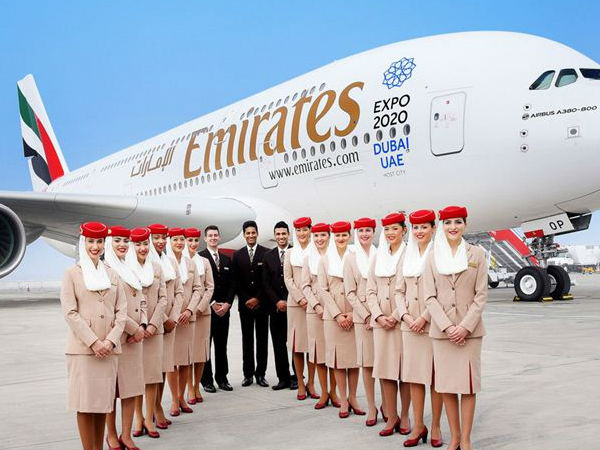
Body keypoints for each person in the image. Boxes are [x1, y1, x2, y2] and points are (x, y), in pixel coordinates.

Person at [422, 206, 487, 450]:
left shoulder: (476, 254)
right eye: (448, 223)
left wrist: (465, 327)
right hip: (443, 334)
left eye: (458, 222)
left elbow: (481, 295)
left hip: (470, 333)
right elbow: (429, 297)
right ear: (442, 226)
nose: (453, 227)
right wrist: (448, 327)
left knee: (468, 387)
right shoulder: (432, 257)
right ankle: (455, 438)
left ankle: (467, 440)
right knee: (447, 386)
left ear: (465, 225)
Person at [60, 221, 126, 450]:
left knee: (102, 406)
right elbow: (70, 313)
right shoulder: (72, 274)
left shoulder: (112, 274)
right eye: (91, 241)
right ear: (83, 243)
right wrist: (95, 342)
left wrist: (110, 341)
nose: (95, 246)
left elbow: (122, 312)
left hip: (109, 351)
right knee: (85, 406)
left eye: (99, 241)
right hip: (84, 352)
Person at [395, 210, 444, 447]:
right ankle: (418, 425)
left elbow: (442, 291)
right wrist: (405, 315)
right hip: (409, 325)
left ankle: (435, 426)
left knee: (434, 378)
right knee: (414, 377)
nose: (419, 231)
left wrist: (424, 317)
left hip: (432, 323)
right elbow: (398, 290)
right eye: (416, 227)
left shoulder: (439, 253)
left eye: (424, 227)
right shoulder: (406, 255)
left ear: (433, 228)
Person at [366, 212, 411, 437]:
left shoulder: (410, 255)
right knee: (385, 372)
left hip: (401, 320)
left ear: (404, 230)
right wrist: (377, 315)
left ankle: (405, 416)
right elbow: (370, 290)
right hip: (381, 323)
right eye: (387, 229)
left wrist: (395, 315)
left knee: (404, 372)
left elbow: (411, 289)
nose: (390, 233)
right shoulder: (378, 256)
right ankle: (391, 416)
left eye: (395, 228)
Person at [104, 226, 147, 450]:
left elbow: (142, 301)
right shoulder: (105, 270)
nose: (122, 245)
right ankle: (111, 435)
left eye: (125, 241)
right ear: (109, 243)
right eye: (117, 241)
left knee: (131, 389)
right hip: (117, 339)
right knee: (112, 392)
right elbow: (111, 308)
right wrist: (134, 329)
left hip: (134, 341)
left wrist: (143, 325)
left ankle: (126, 435)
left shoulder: (130, 268)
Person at [317, 221, 364, 419]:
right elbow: (323, 289)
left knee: (353, 360)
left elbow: (362, 285)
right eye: (337, 235)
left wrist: (353, 313)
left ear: (349, 236)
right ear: (333, 237)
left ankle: (353, 397)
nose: (341, 238)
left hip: (355, 314)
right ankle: (343, 399)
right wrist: (337, 314)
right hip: (333, 316)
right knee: (337, 360)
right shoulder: (324, 260)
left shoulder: (356, 257)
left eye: (344, 235)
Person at [128, 227, 167, 440]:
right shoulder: (126, 268)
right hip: (134, 332)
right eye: (138, 244)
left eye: (145, 244)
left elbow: (163, 299)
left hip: (155, 330)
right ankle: (138, 418)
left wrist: (152, 324)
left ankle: (150, 417)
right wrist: (139, 328)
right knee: (136, 378)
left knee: (152, 376)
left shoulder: (157, 268)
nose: (142, 248)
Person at [343, 217, 382, 427]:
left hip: (381, 316)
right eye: (360, 231)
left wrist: (376, 315)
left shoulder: (381, 254)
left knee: (383, 364)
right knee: (367, 364)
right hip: (362, 318)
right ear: (356, 233)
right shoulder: (350, 258)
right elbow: (350, 292)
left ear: (373, 232)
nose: (364, 234)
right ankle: (372, 406)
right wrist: (366, 315)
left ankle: (387, 405)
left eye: (368, 230)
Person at [147, 223, 183, 426]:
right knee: (151, 371)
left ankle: (157, 405)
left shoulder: (170, 262)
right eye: (156, 238)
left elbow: (179, 292)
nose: (160, 241)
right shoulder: (145, 261)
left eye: (163, 238)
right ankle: (150, 411)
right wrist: (162, 320)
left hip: (170, 324)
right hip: (154, 324)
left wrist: (174, 318)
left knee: (162, 368)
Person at [301, 223, 340, 410]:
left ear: (329, 237)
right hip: (315, 311)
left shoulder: (336, 257)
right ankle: (324, 392)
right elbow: (305, 285)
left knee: (333, 353)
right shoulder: (308, 258)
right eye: (316, 236)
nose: (319, 239)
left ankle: (334, 392)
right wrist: (316, 305)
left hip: (334, 310)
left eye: (323, 235)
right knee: (319, 354)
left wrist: (334, 309)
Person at [167, 227, 202, 415]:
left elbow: (198, 289)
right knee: (172, 362)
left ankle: (182, 397)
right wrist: (174, 314)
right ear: (169, 242)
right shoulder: (165, 263)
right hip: (172, 319)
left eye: (181, 239)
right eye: (175, 240)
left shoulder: (191, 263)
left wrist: (189, 310)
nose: (179, 243)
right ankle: (174, 399)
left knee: (186, 361)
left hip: (188, 318)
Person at [232, 220, 270, 387]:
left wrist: (258, 298)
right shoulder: (238, 255)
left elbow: (266, 280)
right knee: (247, 341)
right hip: (245, 305)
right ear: (244, 235)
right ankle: (247, 375)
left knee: (262, 340)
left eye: (253, 232)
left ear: (257, 233)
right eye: (248, 233)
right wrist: (246, 298)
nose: (251, 235)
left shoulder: (266, 253)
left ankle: (261, 374)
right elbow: (236, 281)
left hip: (262, 305)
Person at [284, 217, 317, 399]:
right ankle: (300, 384)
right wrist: (300, 298)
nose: (302, 233)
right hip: (295, 304)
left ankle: (311, 383)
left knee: (313, 345)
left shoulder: (316, 250)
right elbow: (288, 279)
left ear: (310, 231)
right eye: (298, 230)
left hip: (313, 304)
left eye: (305, 230)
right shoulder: (290, 253)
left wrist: (311, 300)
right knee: (297, 346)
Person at [200, 225, 235, 392]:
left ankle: (222, 378)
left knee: (222, 346)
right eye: (210, 236)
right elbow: (200, 285)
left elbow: (232, 284)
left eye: (216, 235)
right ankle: (206, 380)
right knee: (206, 346)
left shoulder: (227, 260)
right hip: (208, 309)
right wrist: (212, 303)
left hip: (224, 311)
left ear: (219, 237)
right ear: (205, 238)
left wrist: (228, 303)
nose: (213, 238)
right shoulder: (200, 258)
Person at [261, 221, 295, 390]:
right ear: (275, 236)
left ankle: (297, 377)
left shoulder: (295, 253)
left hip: (294, 306)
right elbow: (265, 283)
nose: (281, 237)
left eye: (284, 234)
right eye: (278, 234)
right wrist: (277, 301)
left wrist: (290, 300)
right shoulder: (268, 256)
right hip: (275, 308)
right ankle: (283, 377)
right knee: (278, 343)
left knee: (296, 344)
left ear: (288, 235)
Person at [185, 227, 215, 405]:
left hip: (202, 313)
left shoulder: (204, 261)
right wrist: (189, 309)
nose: (193, 243)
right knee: (187, 354)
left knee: (200, 353)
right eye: (190, 240)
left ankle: (197, 386)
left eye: (196, 240)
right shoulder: (178, 261)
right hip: (186, 314)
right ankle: (189, 387)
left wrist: (200, 307)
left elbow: (209, 287)